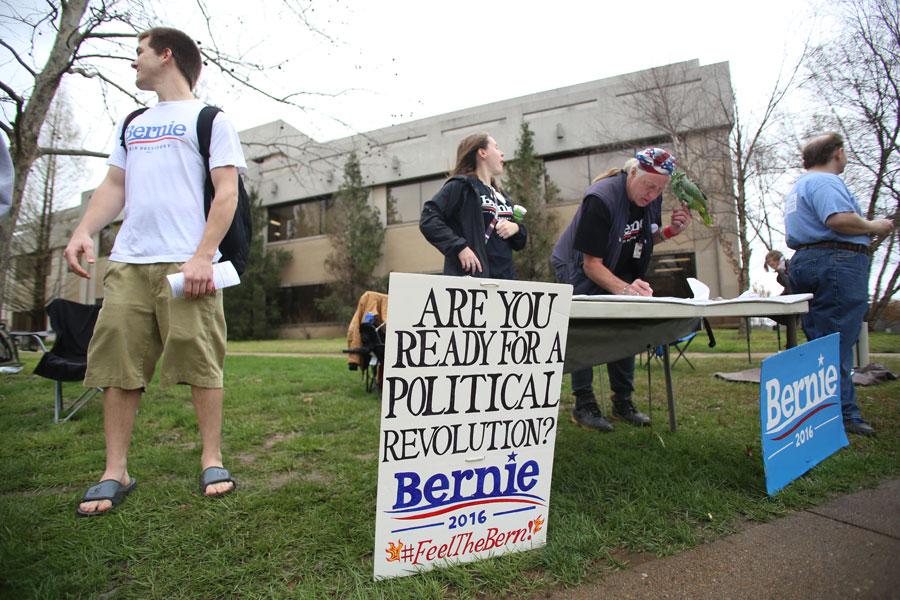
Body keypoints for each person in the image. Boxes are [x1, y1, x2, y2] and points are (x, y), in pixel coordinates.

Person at [64, 27, 247, 516]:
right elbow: (114, 186)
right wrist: (85, 229)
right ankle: (114, 470)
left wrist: (204, 254)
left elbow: (226, 193)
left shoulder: (210, 119)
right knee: (118, 365)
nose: (133, 62)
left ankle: (212, 458)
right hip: (128, 261)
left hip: (188, 263)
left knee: (201, 360)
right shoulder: (132, 121)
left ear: (166, 55)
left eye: (139, 52)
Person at [551, 148, 691, 432]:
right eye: (648, 186)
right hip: (577, 266)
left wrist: (670, 233)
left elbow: (640, 237)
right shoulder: (600, 199)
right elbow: (591, 264)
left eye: (659, 189)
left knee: (626, 324)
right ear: (634, 172)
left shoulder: (651, 195)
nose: (652, 194)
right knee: (586, 330)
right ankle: (584, 403)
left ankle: (623, 401)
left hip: (619, 266)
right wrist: (625, 288)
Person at [784, 132, 894, 437]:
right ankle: (842, 414)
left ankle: (823, 407)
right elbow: (837, 219)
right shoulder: (825, 182)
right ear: (838, 153)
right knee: (836, 342)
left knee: (822, 341)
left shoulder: (800, 186)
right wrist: (874, 226)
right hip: (835, 262)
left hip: (811, 260)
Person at [419, 133, 527, 279]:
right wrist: (459, 247)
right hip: (473, 283)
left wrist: (517, 228)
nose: (502, 153)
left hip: (504, 283)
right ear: (482, 152)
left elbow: (519, 243)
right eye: (496, 147)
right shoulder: (461, 186)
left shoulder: (502, 196)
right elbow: (429, 219)